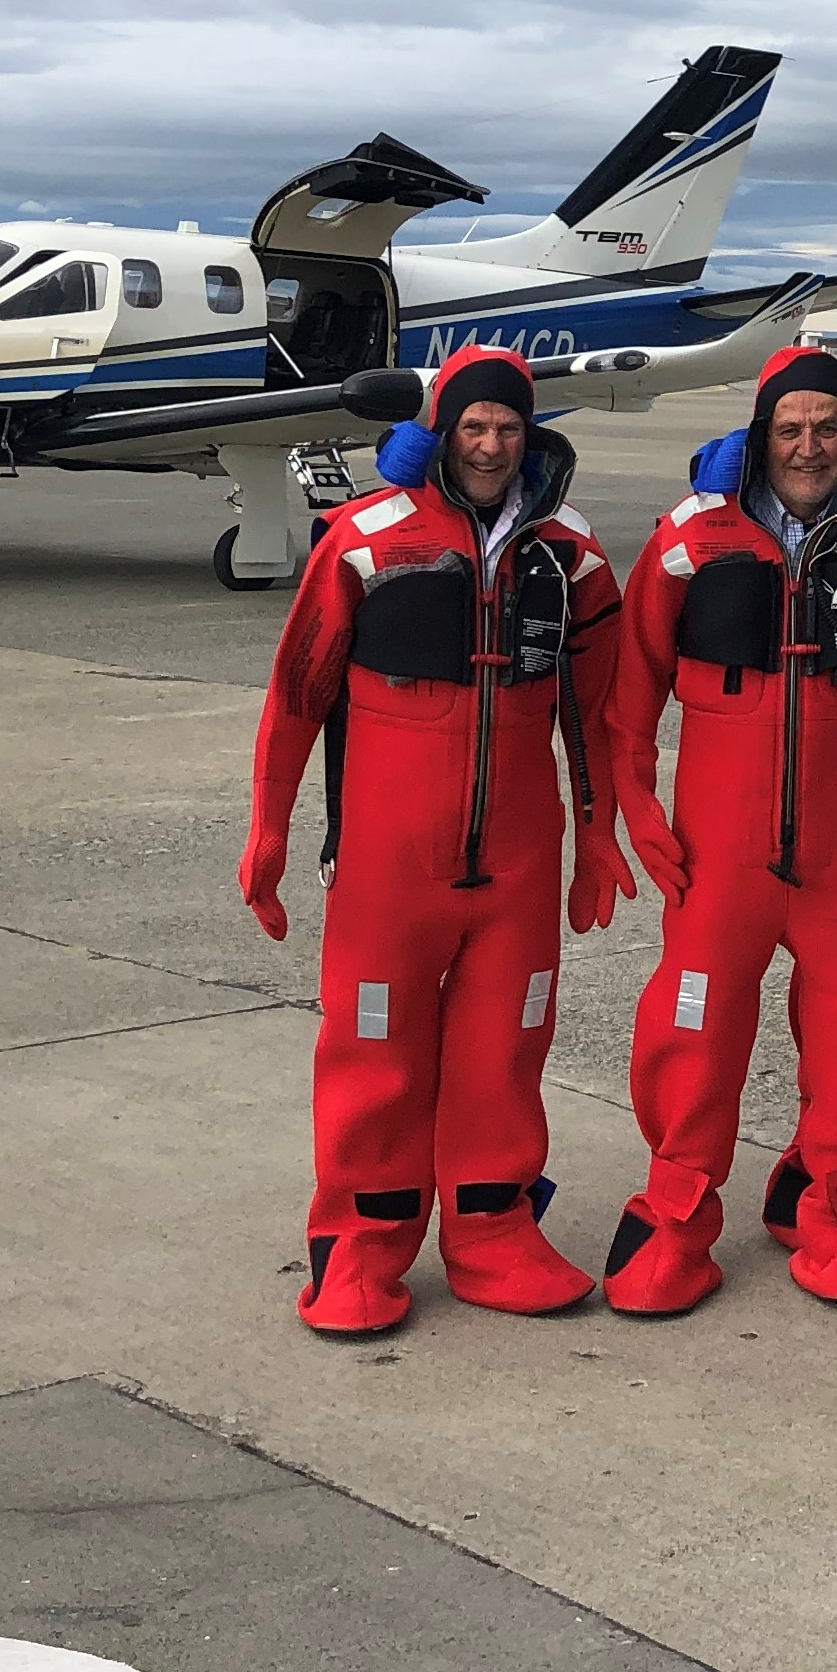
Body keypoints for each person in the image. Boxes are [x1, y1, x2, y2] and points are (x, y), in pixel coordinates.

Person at [238, 344, 636, 1336]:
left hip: (517, 862)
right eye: (473, 427)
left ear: (528, 434)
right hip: (386, 869)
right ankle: (361, 1251)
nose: (492, 445)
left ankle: (493, 1233)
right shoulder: (366, 538)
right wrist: (270, 828)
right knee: (373, 1052)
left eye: (507, 427)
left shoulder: (570, 553)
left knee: (506, 1052)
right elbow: (299, 692)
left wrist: (598, 836)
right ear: (443, 433)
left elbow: (600, 712)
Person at [598, 346, 837, 1315]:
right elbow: (629, 697)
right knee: (695, 1027)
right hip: (721, 856)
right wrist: (636, 807)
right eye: (790, 429)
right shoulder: (690, 540)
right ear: (762, 438)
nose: (809, 446)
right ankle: (675, 1216)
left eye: (828, 427)